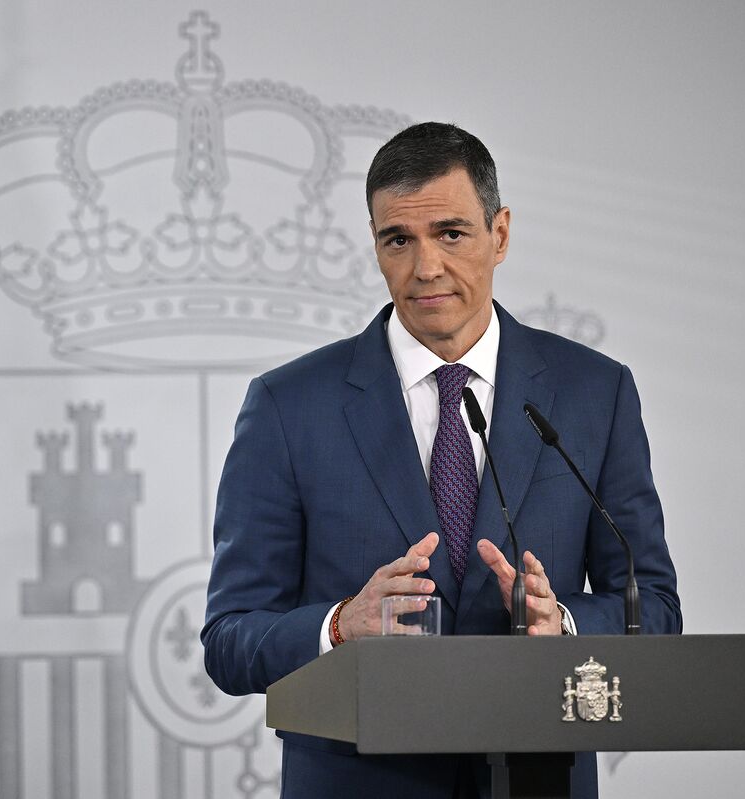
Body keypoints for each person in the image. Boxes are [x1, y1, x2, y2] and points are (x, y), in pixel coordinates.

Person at [201, 122, 681, 798]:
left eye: (451, 234)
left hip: (535, 777)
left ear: (500, 234)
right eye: (398, 240)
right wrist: (339, 625)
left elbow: (652, 606)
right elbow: (229, 639)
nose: (426, 267)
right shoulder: (288, 406)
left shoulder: (594, 394)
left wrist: (565, 626)